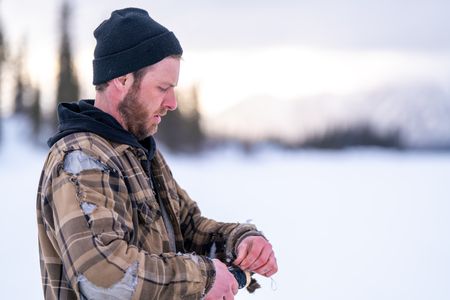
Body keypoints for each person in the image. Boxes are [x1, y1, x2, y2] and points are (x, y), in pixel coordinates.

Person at [37, 7, 277, 300]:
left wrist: (238, 242)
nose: (173, 102)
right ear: (122, 80)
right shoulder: (81, 159)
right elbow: (104, 276)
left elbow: (188, 228)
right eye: (162, 88)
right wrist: (203, 278)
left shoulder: (138, 152)